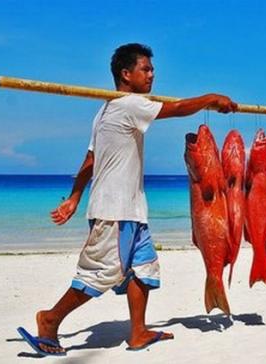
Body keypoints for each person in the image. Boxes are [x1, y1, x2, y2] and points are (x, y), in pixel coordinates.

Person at [17, 43, 237, 356]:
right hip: (114, 210)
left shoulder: (106, 109)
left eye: (152, 70)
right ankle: (50, 320)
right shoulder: (130, 105)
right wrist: (212, 99)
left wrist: (75, 197)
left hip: (133, 210)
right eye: (145, 70)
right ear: (126, 74)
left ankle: (137, 332)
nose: (151, 75)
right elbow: (175, 109)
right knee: (100, 274)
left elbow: (90, 160)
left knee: (145, 269)